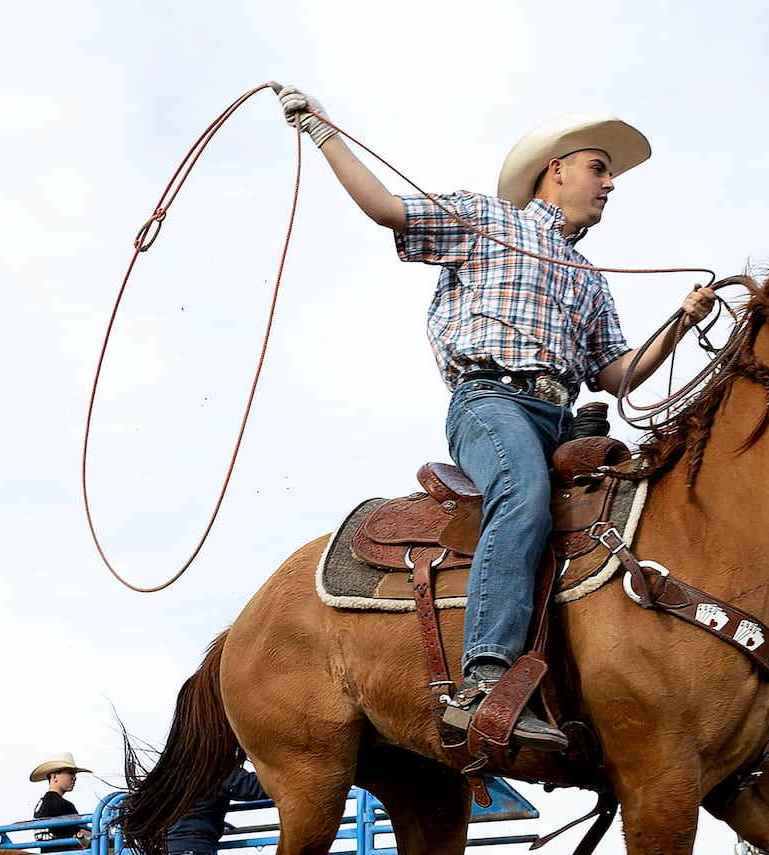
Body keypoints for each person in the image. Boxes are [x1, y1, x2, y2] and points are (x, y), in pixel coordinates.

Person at [274, 85, 717, 751]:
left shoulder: (592, 278)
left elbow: (616, 373)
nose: (609, 186)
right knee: (523, 491)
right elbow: (385, 207)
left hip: (562, 417)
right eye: (600, 169)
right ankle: (485, 676)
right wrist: (321, 129)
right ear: (556, 169)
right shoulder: (486, 220)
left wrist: (681, 323)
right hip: (490, 402)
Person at [29, 751, 92, 844]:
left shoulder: (40, 805)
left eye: (74, 774)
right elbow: (83, 835)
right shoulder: (64, 805)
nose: (74, 778)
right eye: (70, 773)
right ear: (54, 776)